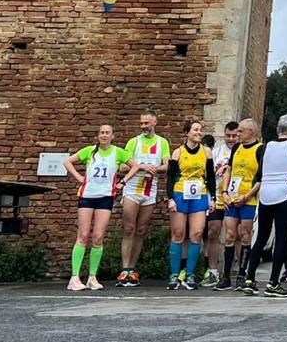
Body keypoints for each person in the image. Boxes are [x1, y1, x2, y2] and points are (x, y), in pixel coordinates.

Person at [64, 124, 138, 291]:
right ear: (98, 136)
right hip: (87, 196)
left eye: (107, 133)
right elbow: (68, 161)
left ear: (112, 136)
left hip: (105, 196)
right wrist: (78, 176)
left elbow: (135, 166)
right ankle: (74, 277)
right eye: (101, 133)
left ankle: (92, 277)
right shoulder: (89, 151)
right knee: (83, 235)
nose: (104, 135)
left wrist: (122, 182)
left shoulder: (118, 152)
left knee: (98, 236)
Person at [245, 114, 287, 295]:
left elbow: (261, 171)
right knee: (282, 239)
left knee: (261, 238)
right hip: (284, 196)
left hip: (265, 195)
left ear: (277, 130)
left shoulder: (265, 148)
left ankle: (250, 279)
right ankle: (273, 283)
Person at [116, 112, 171, 288]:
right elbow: (122, 166)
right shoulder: (133, 142)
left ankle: (132, 268)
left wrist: (154, 169)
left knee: (141, 230)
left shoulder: (162, 142)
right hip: (132, 189)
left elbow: (167, 165)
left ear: (155, 122)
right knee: (129, 228)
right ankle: (124, 269)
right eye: (141, 123)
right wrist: (140, 166)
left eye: (146, 123)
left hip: (150, 190)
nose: (143, 126)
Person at [166, 121, 213, 289]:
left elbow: (211, 176)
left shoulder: (206, 152)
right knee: (178, 233)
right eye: (195, 130)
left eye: (200, 130)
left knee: (197, 233)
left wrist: (212, 197)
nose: (198, 133)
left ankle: (190, 274)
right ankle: (174, 274)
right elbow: (170, 176)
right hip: (180, 194)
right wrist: (170, 198)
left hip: (199, 194)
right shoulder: (178, 152)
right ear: (187, 132)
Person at [219, 117, 264, 291]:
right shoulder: (237, 148)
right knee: (230, 235)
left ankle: (242, 274)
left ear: (251, 132)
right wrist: (224, 192)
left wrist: (247, 196)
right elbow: (228, 170)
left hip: (248, 199)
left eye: (240, 131)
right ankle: (226, 276)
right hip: (232, 196)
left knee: (245, 235)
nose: (237, 134)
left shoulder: (260, 149)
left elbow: (261, 178)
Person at [203, 122, 236, 287]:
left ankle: (234, 271)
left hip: (235, 198)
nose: (231, 139)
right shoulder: (216, 153)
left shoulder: (242, 152)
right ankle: (213, 271)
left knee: (234, 235)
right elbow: (206, 175)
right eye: (228, 136)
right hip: (217, 197)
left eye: (234, 136)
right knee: (213, 232)